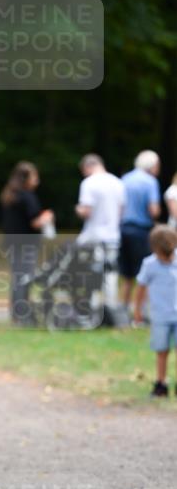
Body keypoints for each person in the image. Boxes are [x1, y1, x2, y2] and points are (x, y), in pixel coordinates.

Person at [0, 161, 55, 325]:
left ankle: (16, 313)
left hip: (12, 243)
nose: (37, 180)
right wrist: (47, 217)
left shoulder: (9, 194)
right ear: (26, 178)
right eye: (34, 176)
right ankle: (21, 315)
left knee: (17, 278)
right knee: (24, 278)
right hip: (26, 244)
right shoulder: (27, 196)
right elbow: (34, 222)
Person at [75, 154, 125, 310]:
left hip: (93, 235)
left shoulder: (89, 183)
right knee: (110, 272)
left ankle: (93, 305)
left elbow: (86, 211)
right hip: (113, 235)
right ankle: (111, 306)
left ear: (87, 167)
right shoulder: (117, 182)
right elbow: (121, 210)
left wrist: (78, 210)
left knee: (92, 270)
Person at [133, 225, 177, 398]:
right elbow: (141, 288)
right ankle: (161, 383)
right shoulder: (150, 264)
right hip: (160, 316)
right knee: (162, 351)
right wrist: (138, 310)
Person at [119, 150, 161, 309]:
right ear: (152, 165)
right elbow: (153, 210)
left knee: (126, 274)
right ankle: (141, 311)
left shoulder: (125, 179)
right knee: (143, 273)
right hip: (141, 231)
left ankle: (123, 308)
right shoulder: (150, 182)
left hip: (123, 229)